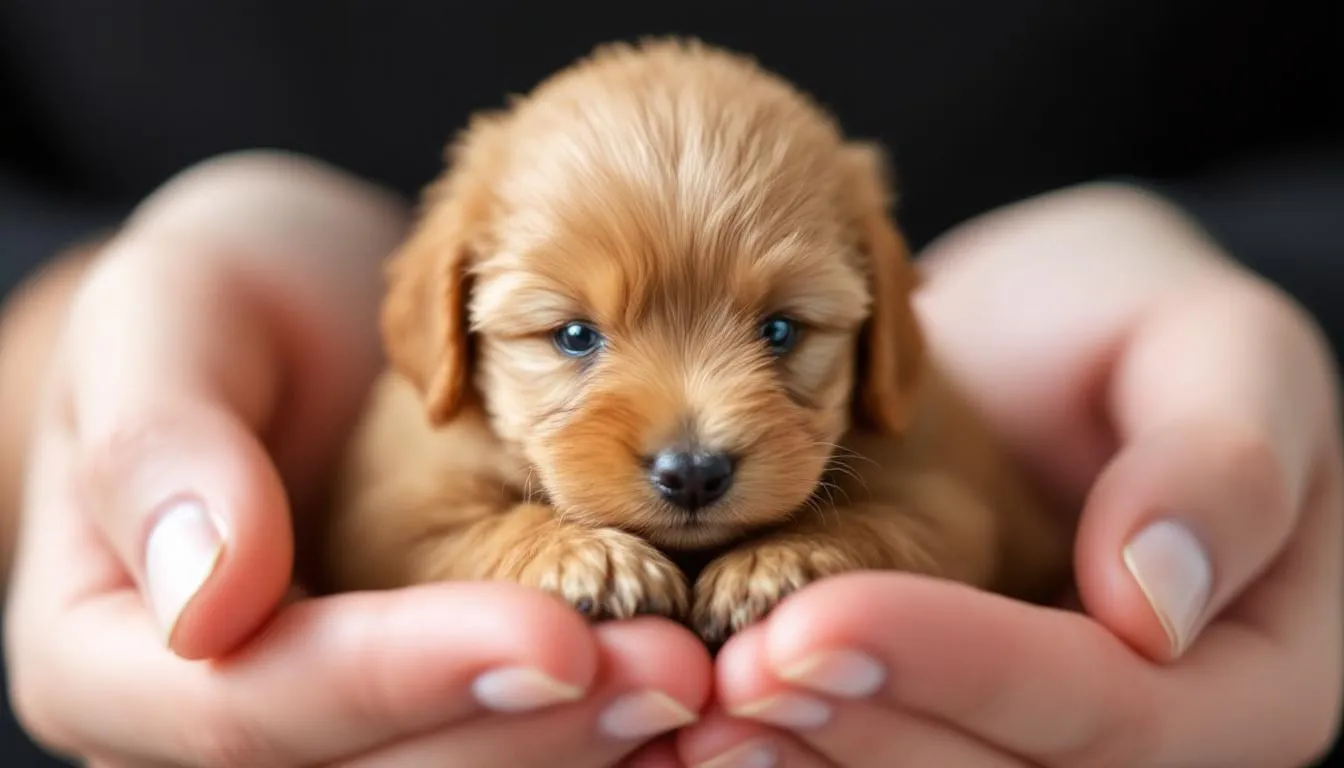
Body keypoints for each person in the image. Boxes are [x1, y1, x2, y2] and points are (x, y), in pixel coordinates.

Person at [1, 3, 1340, 766]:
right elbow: (374, 535)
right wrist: (60, 337)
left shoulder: (922, 417)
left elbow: (973, 527)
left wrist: (1288, 318)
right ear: (439, 331)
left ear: (881, 327)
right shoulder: (408, 425)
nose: (696, 434)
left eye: (781, 333)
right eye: (571, 338)